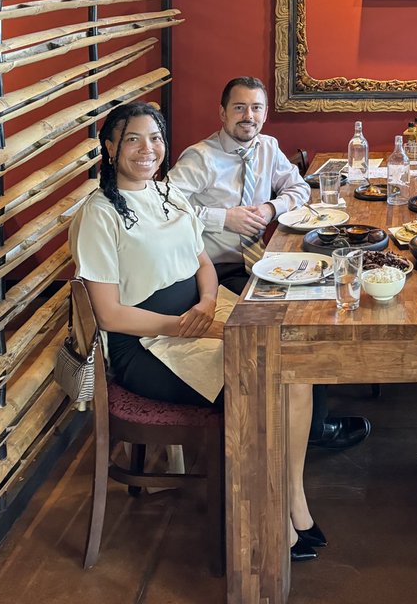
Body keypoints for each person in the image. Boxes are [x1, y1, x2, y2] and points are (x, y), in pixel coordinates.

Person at [69, 102, 323, 560]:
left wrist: (207, 303)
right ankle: (268, 525)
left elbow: (202, 261)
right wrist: (184, 326)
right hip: (146, 343)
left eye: (155, 138)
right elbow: (108, 314)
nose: (147, 149)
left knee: (297, 371)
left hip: (199, 314)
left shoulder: (168, 193)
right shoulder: (99, 214)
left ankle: (293, 500)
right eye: (132, 139)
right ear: (109, 149)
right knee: (262, 386)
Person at [169, 76, 371, 452]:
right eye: (240, 107)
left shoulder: (267, 147)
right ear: (222, 112)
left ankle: (307, 418)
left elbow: (296, 188)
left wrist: (269, 207)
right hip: (212, 271)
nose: (249, 116)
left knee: (318, 304)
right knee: (293, 322)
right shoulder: (200, 158)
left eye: (256, 108)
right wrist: (222, 218)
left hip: (260, 261)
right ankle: (300, 427)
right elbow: (165, 209)